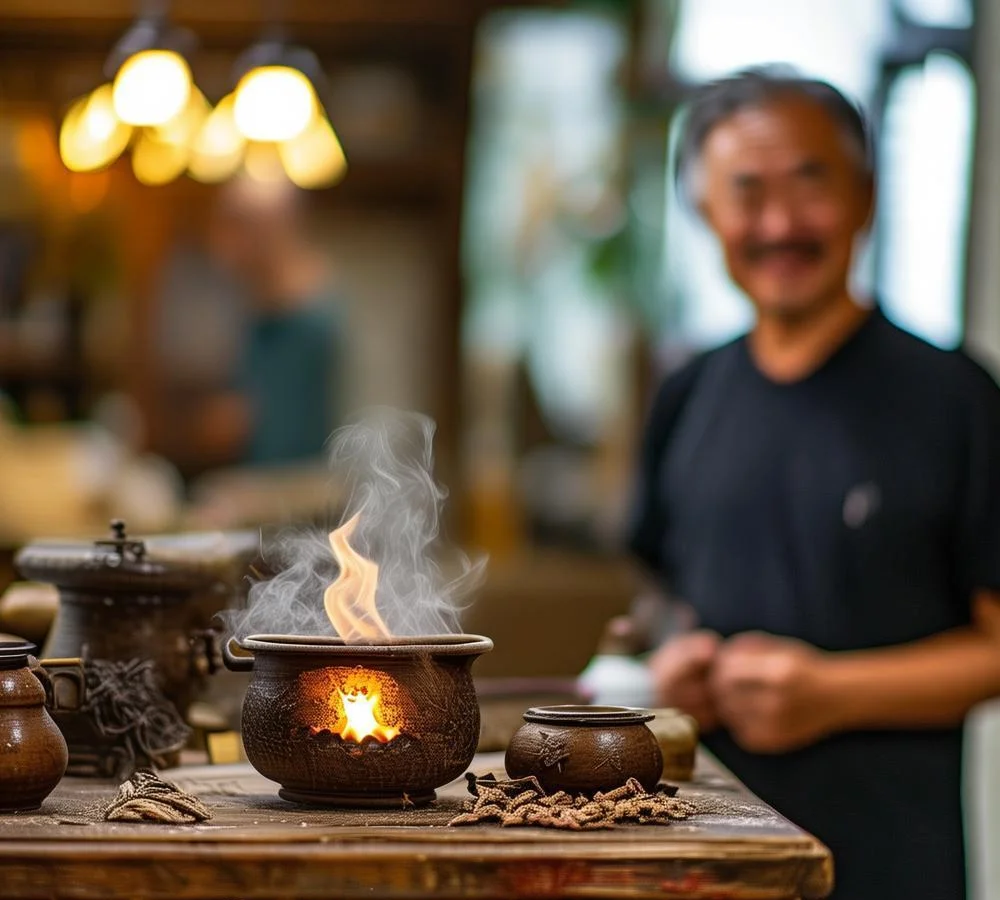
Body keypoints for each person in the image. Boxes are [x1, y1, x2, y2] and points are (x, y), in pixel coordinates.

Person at [627, 67, 1000, 900]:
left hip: (888, 859)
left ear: (866, 197)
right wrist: (668, 662)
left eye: (810, 184)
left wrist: (830, 694)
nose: (780, 224)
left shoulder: (955, 399)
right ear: (705, 213)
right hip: (694, 858)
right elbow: (663, 595)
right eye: (746, 192)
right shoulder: (689, 394)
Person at [197, 176, 344, 467]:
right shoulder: (254, 303)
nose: (223, 244)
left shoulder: (312, 320)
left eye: (236, 227)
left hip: (299, 495)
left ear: (271, 230)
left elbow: (296, 443)